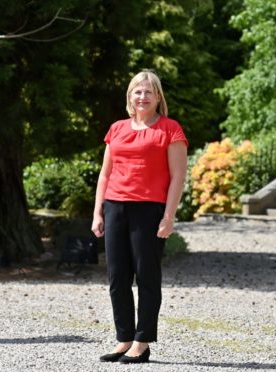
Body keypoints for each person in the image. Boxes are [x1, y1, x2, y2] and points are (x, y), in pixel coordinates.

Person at [91, 70, 188, 364]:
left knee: (146, 277)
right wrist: (97, 212)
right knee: (117, 278)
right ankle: (124, 338)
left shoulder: (170, 130)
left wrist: (169, 216)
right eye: (137, 92)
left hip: (149, 210)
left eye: (148, 92)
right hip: (115, 207)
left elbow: (178, 177)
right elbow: (105, 173)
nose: (142, 97)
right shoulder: (117, 128)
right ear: (129, 97)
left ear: (158, 97)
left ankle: (142, 342)